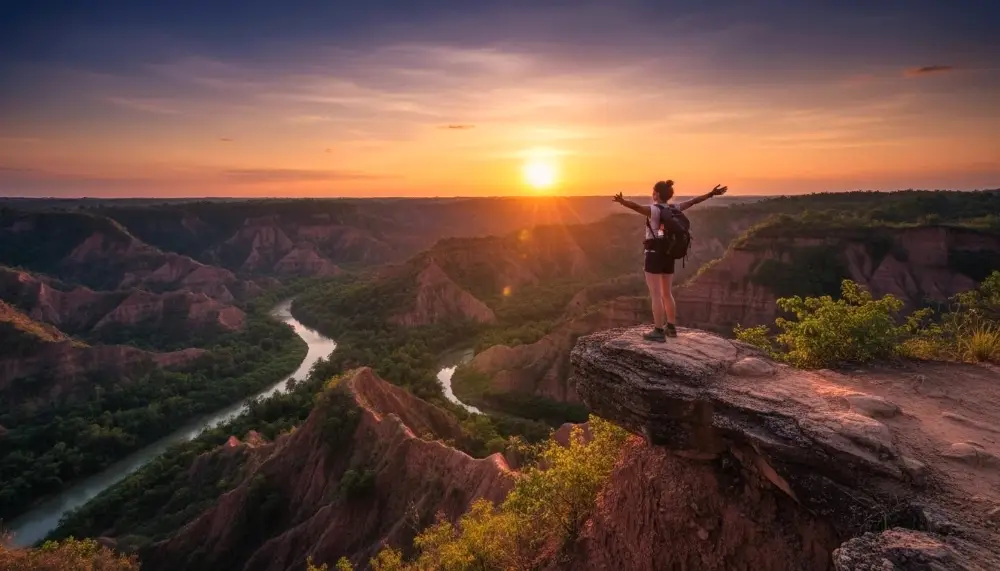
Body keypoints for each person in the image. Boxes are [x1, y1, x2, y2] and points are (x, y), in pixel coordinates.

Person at [613, 180, 728, 341]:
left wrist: (623, 202)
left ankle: (658, 331)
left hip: (654, 254)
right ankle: (671, 327)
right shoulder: (674, 209)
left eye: (653, 192)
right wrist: (711, 194)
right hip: (669, 254)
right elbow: (694, 201)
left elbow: (636, 207)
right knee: (667, 293)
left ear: (657, 194)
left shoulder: (654, 210)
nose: (652, 194)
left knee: (656, 294)